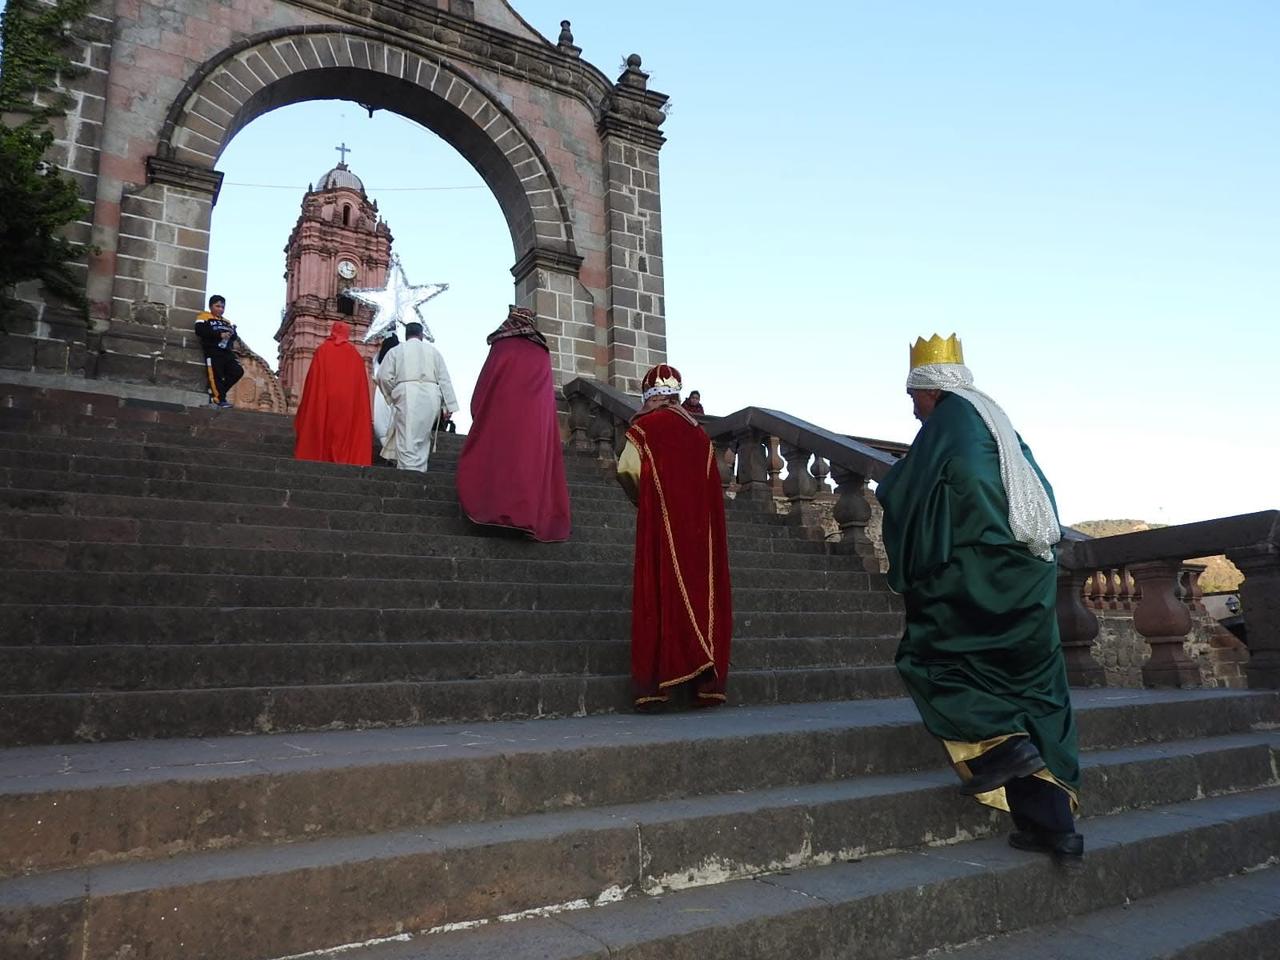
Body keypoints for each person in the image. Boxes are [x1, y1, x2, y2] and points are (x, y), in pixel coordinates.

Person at [875, 334, 1083, 866]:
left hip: (978, 576)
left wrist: (889, 487)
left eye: (913, 397)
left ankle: (1002, 746)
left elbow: (910, 493)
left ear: (930, 389)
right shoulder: (996, 419)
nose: (914, 409)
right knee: (1036, 694)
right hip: (1031, 577)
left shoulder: (948, 423)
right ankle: (1053, 827)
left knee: (934, 661)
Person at [616, 364, 732, 709]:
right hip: (701, 531)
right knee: (700, 592)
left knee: (661, 588)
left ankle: (659, 680)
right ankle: (702, 681)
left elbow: (626, 470)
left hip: (662, 526)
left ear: (650, 397)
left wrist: (646, 501)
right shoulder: (700, 435)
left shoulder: (645, 430)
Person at [456, 306, 570, 542]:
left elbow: (487, 382)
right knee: (528, 467)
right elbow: (547, 397)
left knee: (500, 465)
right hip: (534, 425)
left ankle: (496, 515)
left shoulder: (502, 346)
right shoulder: (541, 352)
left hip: (502, 418)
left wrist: (478, 409)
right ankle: (526, 519)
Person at [374, 321, 458, 472]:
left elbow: (382, 376)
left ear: (406, 335)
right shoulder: (433, 351)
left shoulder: (397, 351)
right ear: (421, 335)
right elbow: (444, 379)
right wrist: (448, 406)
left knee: (407, 438)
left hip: (407, 393)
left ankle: (409, 474)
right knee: (422, 439)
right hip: (432, 394)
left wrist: (392, 394)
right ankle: (419, 472)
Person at [293, 320, 373, 466]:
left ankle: (324, 455)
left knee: (325, 426)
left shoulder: (322, 350)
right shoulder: (355, 355)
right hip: (348, 401)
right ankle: (344, 457)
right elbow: (360, 387)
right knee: (344, 430)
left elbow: (313, 381)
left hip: (326, 398)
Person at [193, 294, 243, 408]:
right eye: (218, 306)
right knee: (216, 376)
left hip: (227, 351)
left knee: (237, 371)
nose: (220, 309)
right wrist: (219, 334)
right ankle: (218, 399)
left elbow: (235, 336)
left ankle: (220, 394)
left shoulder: (226, 321)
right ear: (211, 306)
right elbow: (199, 330)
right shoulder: (204, 316)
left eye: (222, 307)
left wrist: (231, 334)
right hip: (213, 350)